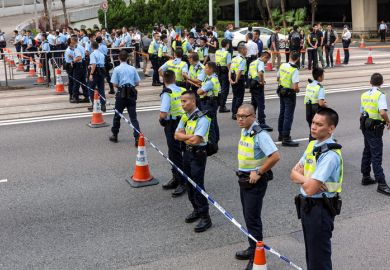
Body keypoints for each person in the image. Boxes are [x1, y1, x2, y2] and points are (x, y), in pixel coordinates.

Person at [291, 108, 343, 270]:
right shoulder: (313, 145)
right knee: (312, 254)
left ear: (331, 128)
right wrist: (307, 180)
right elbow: (292, 173)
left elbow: (311, 189)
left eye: (319, 124)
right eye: (313, 122)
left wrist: (306, 181)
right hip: (308, 206)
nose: (313, 127)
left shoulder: (330, 155)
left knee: (318, 259)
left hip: (320, 209)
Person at [234, 104, 280, 270]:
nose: (240, 119)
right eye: (238, 115)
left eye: (244, 116)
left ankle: (256, 255)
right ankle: (252, 247)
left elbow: (275, 156)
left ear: (253, 116)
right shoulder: (245, 130)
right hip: (245, 180)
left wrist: (259, 172)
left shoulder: (260, 134)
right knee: (248, 215)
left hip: (255, 182)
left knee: (253, 218)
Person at [174, 91, 212, 233]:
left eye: (185, 101)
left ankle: (205, 217)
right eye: (181, 101)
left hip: (198, 155)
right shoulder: (185, 116)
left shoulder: (203, 119)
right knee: (189, 184)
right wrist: (188, 137)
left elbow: (196, 140)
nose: (182, 104)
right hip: (187, 153)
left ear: (193, 102)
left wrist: (184, 136)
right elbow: (176, 135)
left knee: (197, 186)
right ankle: (196, 210)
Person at [360, 73, 390, 195]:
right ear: (381, 83)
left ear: (370, 82)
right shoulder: (380, 95)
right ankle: (381, 184)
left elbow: (362, 111)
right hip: (375, 127)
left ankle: (366, 176)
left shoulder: (364, 94)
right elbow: (382, 112)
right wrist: (388, 121)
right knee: (376, 154)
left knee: (367, 150)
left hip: (365, 124)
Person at [159, 70, 187, 197]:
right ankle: (176, 178)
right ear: (175, 78)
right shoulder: (182, 89)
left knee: (175, 153)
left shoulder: (167, 93)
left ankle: (182, 182)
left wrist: (161, 120)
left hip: (173, 124)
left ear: (163, 80)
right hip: (184, 122)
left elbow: (163, 113)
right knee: (178, 152)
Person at [109, 50, 141, 147]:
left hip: (121, 93)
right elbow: (137, 82)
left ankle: (115, 135)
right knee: (133, 117)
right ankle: (137, 137)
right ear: (127, 58)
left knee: (117, 115)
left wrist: (120, 86)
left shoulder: (117, 69)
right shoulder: (132, 68)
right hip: (131, 93)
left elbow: (114, 84)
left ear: (119, 58)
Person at [277, 52, 300, 147]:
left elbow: (278, 78)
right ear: (297, 59)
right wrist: (298, 90)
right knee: (288, 116)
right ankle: (286, 138)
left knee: (282, 113)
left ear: (290, 57)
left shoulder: (283, 65)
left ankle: (281, 135)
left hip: (281, 91)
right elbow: (295, 87)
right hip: (289, 94)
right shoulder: (294, 70)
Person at [197, 62, 220, 145]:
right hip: (212, 101)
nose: (204, 69)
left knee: (210, 123)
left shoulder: (210, 80)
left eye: (206, 68)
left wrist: (200, 90)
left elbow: (199, 92)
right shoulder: (212, 78)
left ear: (211, 69)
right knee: (213, 121)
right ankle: (215, 140)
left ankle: (212, 142)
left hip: (208, 102)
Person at [248, 51, 273, 132]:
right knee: (261, 104)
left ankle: (251, 121)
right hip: (258, 86)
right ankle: (262, 122)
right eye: (267, 60)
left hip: (252, 84)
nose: (266, 62)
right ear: (265, 57)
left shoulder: (253, 63)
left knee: (253, 104)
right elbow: (260, 73)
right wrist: (261, 82)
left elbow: (249, 74)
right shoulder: (261, 62)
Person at [304, 68, 327, 141]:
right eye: (323, 75)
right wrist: (325, 106)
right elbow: (321, 103)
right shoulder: (320, 87)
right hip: (316, 109)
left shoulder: (309, 85)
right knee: (317, 129)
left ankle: (311, 145)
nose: (324, 76)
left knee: (312, 128)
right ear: (320, 77)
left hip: (308, 108)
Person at [230, 45, 247, 120]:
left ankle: (233, 112)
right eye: (246, 50)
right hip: (239, 78)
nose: (246, 51)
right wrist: (236, 80)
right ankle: (236, 113)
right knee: (240, 97)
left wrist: (230, 79)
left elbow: (230, 69)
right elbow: (239, 71)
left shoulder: (234, 58)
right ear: (242, 50)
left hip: (233, 77)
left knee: (235, 96)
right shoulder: (242, 60)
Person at [88, 41, 106, 111]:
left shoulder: (92, 54)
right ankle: (103, 104)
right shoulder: (102, 54)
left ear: (92, 46)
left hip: (95, 71)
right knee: (101, 88)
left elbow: (94, 64)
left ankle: (93, 104)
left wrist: (91, 74)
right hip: (101, 70)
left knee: (91, 88)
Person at [216, 39, 232, 113]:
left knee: (221, 89)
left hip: (218, 71)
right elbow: (228, 65)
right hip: (225, 72)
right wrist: (231, 73)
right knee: (225, 90)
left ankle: (220, 104)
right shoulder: (227, 53)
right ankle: (222, 106)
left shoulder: (217, 52)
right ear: (227, 44)